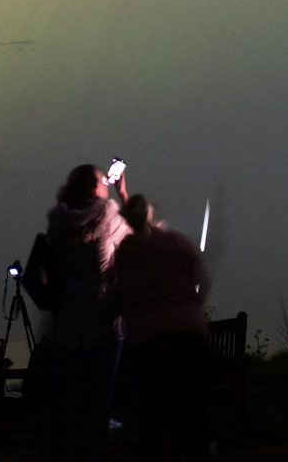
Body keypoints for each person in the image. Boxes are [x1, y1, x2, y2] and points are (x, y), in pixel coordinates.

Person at [110, 194, 209, 461]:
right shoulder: (176, 241)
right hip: (188, 335)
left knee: (153, 415)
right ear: (151, 214)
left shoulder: (126, 252)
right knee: (190, 412)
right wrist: (193, 304)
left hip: (148, 340)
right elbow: (202, 276)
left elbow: (117, 295)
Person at [45, 163, 130, 462]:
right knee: (100, 402)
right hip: (102, 322)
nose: (105, 183)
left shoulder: (57, 221)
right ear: (93, 188)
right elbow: (137, 235)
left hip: (68, 325)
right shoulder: (108, 214)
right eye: (101, 181)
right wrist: (122, 193)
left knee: (72, 403)